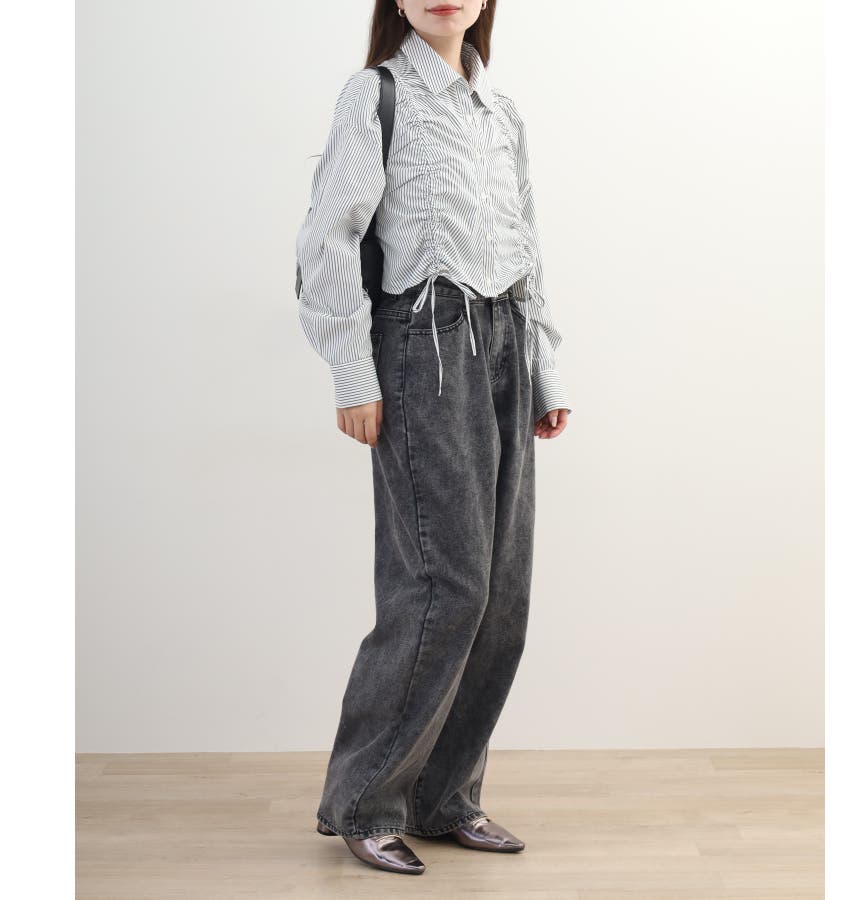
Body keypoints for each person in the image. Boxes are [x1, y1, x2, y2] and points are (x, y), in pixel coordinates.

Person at [295, 0, 571, 875]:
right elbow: (328, 237)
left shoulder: (501, 113)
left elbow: (528, 245)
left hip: (505, 343)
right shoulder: (373, 95)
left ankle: (446, 798)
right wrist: (352, 370)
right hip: (424, 344)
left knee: (501, 595)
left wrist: (545, 373)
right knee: (441, 587)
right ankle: (365, 802)